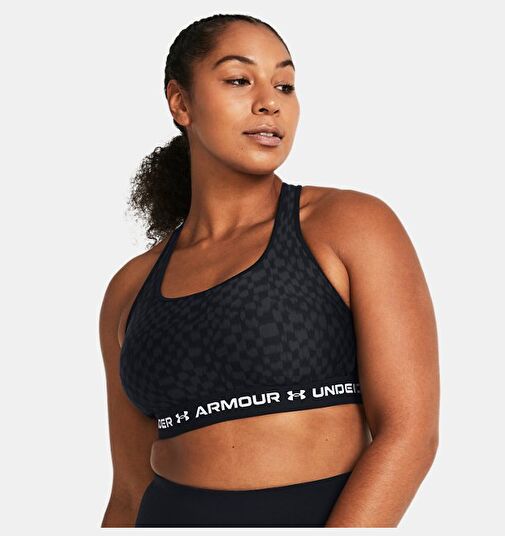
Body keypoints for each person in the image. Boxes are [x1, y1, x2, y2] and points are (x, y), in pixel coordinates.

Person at [100, 13, 439, 528]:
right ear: (181, 102)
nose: (269, 102)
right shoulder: (130, 288)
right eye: (239, 80)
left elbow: (409, 433)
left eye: (285, 85)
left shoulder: (348, 226)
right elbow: (129, 491)